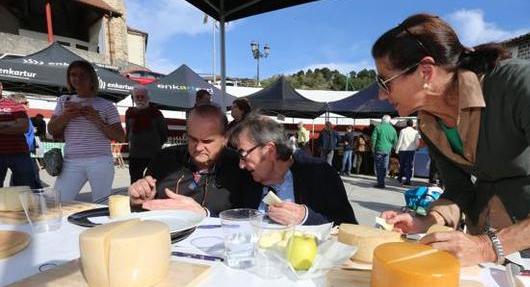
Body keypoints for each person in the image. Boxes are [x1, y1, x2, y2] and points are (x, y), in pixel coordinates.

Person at [375, 14, 530, 276]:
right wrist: (426, 221)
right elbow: (458, 190)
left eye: (384, 81)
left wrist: (487, 247)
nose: (381, 94)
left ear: (426, 71)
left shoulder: (520, 84)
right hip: (479, 240)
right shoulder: (428, 121)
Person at [228, 115, 357, 226]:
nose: (241, 165)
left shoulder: (319, 174)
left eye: (243, 155)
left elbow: (348, 226)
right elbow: (231, 216)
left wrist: (306, 218)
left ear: (270, 151)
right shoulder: (246, 178)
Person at [129, 104, 255, 216]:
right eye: (193, 139)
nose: (199, 147)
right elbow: (143, 209)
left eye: (207, 141)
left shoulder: (241, 167)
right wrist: (138, 201)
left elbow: (250, 216)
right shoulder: (164, 158)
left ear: (225, 138)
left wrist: (205, 214)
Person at [48, 60, 125, 202]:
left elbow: (120, 137)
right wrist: (66, 115)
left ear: (91, 79)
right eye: (73, 75)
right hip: (71, 162)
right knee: (57, 202)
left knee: (101, 205)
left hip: (100, 161)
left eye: (82, 75)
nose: (77, 79)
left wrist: (98, 120)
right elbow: (51, 130)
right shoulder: (64, 101)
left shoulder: (106, 105)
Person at [125, 86, 168, 183]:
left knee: (154, 182)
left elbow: (164, 134)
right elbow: (128, 132)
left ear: (148, 98)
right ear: (133, 98)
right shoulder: (129, 113)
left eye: (142, 97)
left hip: (153, 155)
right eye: (137, 97)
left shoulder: (157, 114)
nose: (140, 99)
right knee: (135, 182)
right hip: (135, 155)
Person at [0, 83, 39, 188]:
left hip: (19, 153)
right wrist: (11, 124)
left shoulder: (13, 104)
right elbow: (19, 126)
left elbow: (23, 126)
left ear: (1, 87)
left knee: (26, 189)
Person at [371, 115, 398, 188]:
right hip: (388, 150)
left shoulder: (378, 127)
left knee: (379, 167)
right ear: (389, 121)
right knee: (385, 166)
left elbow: (373, 138)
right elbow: (395, 141)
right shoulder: (393, 129)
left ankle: (380, 183)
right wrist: (394, 148)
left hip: (379, 149)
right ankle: (382, 181)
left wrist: (373, 147)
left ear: (382, 120)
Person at [395, 119, 420, 185]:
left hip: (403, 150)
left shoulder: (403, 131)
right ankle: (408, 180)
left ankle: (399, 178)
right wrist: (417, 148)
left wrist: (397, 149)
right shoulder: (415, 132)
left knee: (402, 164)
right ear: (412, 125)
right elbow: (417, 142)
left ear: (406, 124)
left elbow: (400, 141)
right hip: (411, 150)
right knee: (409, 165)